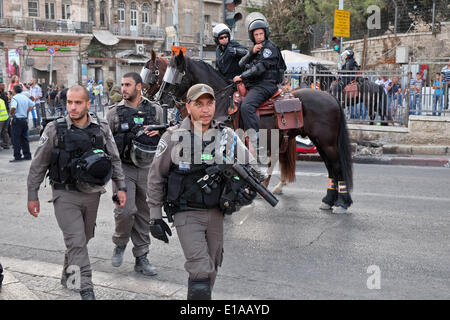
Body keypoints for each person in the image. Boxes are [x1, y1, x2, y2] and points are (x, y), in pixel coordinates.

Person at [146, 83, 259, 300]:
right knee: (200, 269)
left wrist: (245, 191)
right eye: (199, 104)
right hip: (185, 213)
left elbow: (252, 169)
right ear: (188, 107)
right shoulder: (172, 137)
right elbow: (155, 177)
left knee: (212, 267)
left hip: (217, 212)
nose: (205, 109)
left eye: (209, 104)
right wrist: (154, 216)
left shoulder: (226, 135)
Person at [26, 85, 127, 300]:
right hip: (64, 194)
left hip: (92, 193)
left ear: (88, 104)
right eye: (69, 102)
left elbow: (115, 159)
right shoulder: (55, 129)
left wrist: (122, 187)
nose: (72, 107)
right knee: (77, 240)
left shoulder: (101, 127)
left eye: (78, 102)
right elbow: (38, 164)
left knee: (83, 238)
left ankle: (69, 276)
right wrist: (32, 194)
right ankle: (86, 289)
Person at [106, 72, 163, 275]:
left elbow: (164, 138)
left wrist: (161, 133)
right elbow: (107, 143)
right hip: (124, 169)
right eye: (122, 85)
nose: (123, 89)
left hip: (148, 168)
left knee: (144, 214)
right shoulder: (114, 113)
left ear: (139, 86)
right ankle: (120, 243)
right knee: (125, 211)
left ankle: (141, 257)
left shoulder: (155, 110)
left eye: (128, 85)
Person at [233, 13, 286, 152]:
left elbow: (259, 68)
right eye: (256, 35)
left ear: (266, 33)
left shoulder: (269, 48)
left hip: (266, 85)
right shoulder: (256, 49)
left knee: (247, 106)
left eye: (261, 34)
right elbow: (241, 63)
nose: (259, 37)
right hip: (256, 85)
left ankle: (255, 140)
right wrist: (251, 52)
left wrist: (242, 77)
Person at [9, 84, 34, 162]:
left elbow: (13, 107)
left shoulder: (15, 98)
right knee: (24, 138)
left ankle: (17, 156)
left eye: (12, 89)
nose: (12, 91)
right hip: (24, 120)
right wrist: (26, 111)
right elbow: (32, 105)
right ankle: (27, 155)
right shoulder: (24, 97)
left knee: (16, 139)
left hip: (17, 120)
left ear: (15, 90)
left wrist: (11, 114)